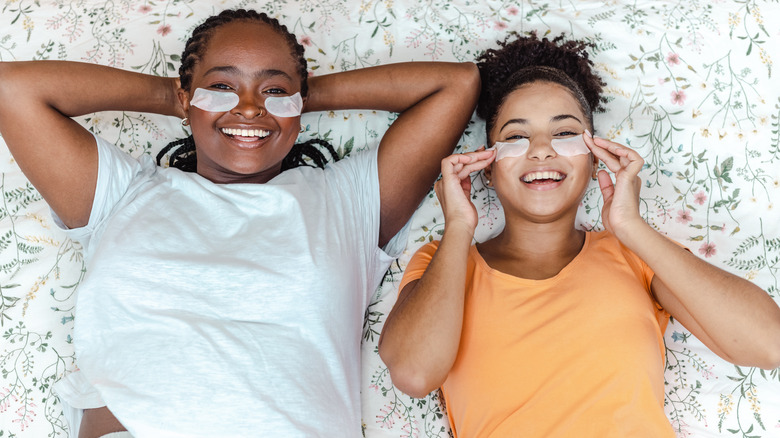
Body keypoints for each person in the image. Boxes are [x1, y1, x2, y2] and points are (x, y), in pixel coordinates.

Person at [0, 9, 480, 438]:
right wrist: (181, 98)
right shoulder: (120, 193)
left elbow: (455, 85)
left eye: (273, 89)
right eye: (223, 86)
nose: (249, 107)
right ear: (187, 95)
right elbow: (12, 89)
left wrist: (293, 98)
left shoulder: (345, 201)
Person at [378, 33, 780, 437]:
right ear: (486, 166)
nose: (540, 150)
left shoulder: (634, 254)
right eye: (516, 136)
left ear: (594, 160)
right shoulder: (442, 262)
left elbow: (767, 343)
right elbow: (414, 373)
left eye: (565, 133)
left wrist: (631, 226)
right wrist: (458, 227)